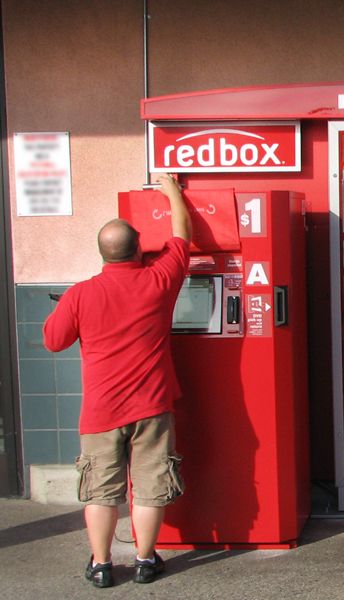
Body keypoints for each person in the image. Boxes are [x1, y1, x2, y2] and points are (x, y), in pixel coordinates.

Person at [43, 174, 192, 588]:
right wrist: (172, 192)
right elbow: (182, 235)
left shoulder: (80, 294)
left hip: (100, 411)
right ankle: (145, 561)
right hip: (152, 405)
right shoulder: (159, 280)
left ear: (101, 253)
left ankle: (102, 564)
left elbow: (53, 341)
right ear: (138, 247)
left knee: (101, 492)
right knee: (150, 487)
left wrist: (68, 307)